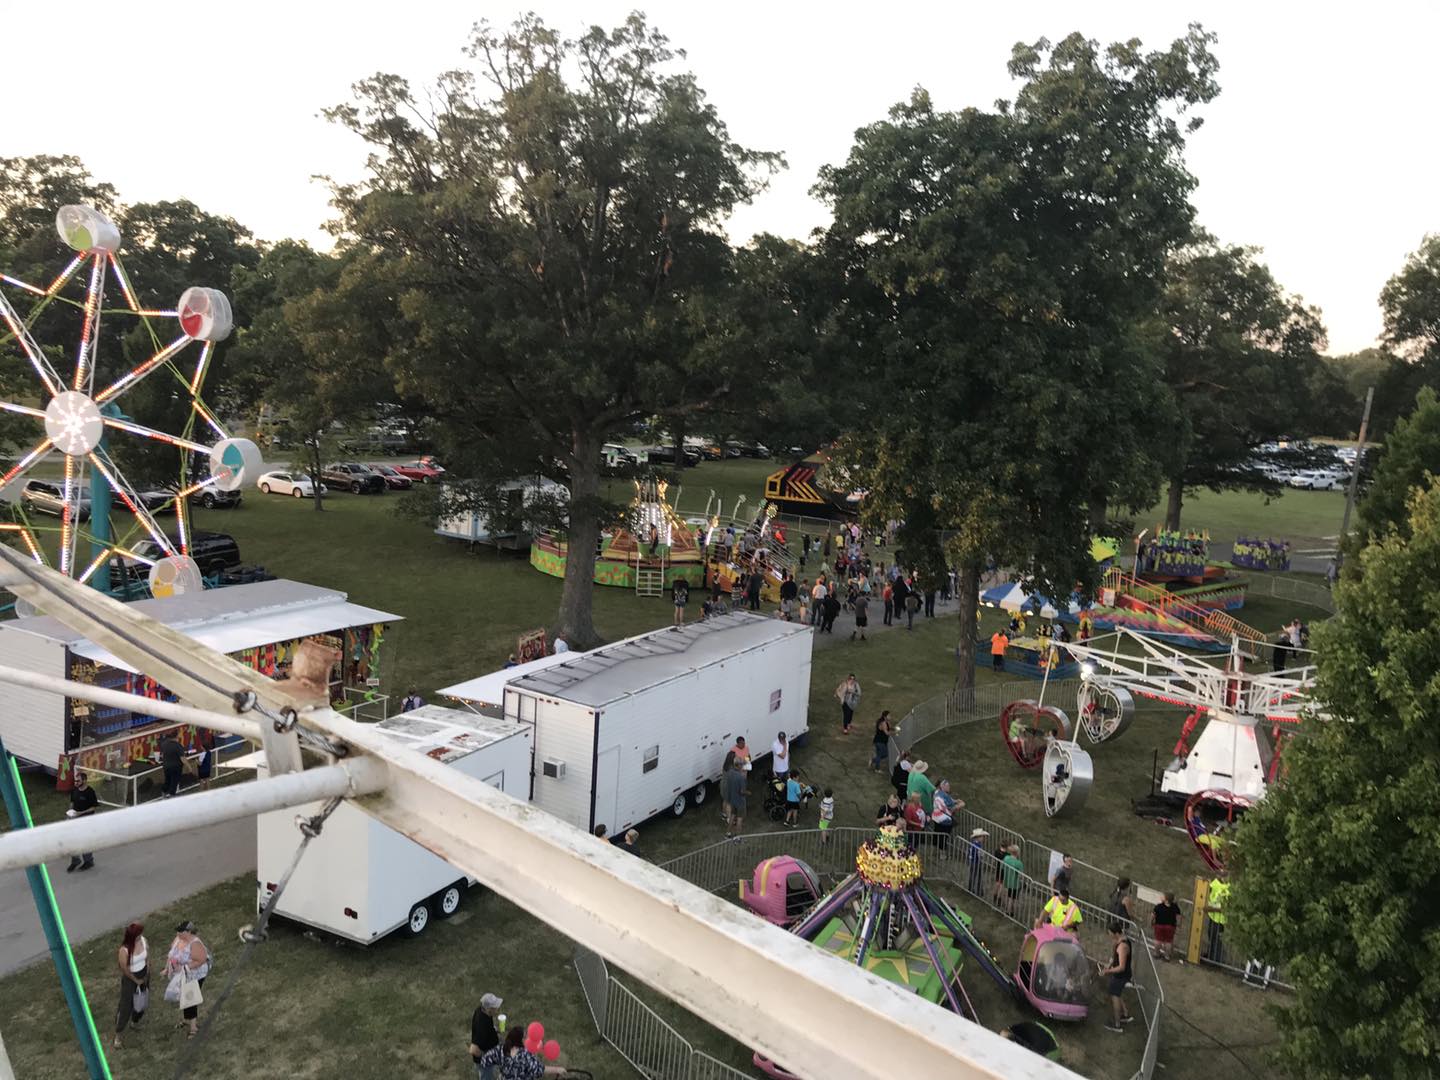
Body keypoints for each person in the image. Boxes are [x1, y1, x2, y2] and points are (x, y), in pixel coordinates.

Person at [165, 921, 210, 1038]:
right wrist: (167, 968)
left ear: (189, 932)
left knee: (190, 999)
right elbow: (171, 954)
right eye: (178, 931)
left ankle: (193, 1027)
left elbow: (201, 960)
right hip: (183, 974)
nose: (178, 933)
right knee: (183, 997)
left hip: (195, 975)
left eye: (181, 931)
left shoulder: (195, 943)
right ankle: (186, 1020)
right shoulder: (179, 939)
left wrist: (184, 967)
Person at [478, 1025, 567, 1079]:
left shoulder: (500, 1049)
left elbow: (485, 1059)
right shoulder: (525, 1056)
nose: (528, 1038)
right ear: (519, 1040)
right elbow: (538, 1069)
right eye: (525, 1037)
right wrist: (557, 1069)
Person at [113, 921, 148, 1050]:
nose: (141, 936)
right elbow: (124, 968)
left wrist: (147, 970)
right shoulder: (125, 950)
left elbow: (146, 956)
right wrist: (135, 980)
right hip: (130, 977)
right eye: (138, 934)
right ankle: (118, 1034)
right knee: (126, 1005)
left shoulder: (143, 940)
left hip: (143, 973)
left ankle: (135, 1021)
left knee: (141, 999)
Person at [1099, 921, 1135, 1033]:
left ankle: (1117, 1024)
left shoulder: (1122, 946)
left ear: (1115, 933)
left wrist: (1108, 971)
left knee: (1115, 995)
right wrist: (1108, 965)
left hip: (1121, 976)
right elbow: (1114, 958)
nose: (1109, 935)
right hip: (1120, 975)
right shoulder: (1119, 941)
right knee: (1117, 993)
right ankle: (1125, 1014)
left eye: (1110, 933)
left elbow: (1121, 967)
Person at [66, 771, 98, 871]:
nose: (76, 782)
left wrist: (81, 813)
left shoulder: (90, 792)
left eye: (78, 780)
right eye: (75, 780)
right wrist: (70, 812)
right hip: (74, 818)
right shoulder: (74, 790)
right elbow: (72, 802)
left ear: (84, 780)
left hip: (86, 820)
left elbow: (93, 808)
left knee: (85, 841)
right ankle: (75, 860)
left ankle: (88, 861)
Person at [469, 992, 503, 1079]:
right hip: (484, 1062)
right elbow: (473, 1050)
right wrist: (487, 1057)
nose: (497, 1008)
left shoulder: (481, 1010)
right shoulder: (482, 1026)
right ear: (489, 1009)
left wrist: (493, 1030)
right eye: (495, 1007)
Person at [1204, 873, 1229, 961]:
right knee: (1211, 936)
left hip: (1220, 920)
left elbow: (1225, 907)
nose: (1219, 876)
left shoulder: (1228, 889)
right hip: (1212, 917)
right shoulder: (1215, 882)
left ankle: (1216, 959)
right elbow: (1208, 889)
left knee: (1217, 940)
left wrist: (1211, 909)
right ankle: (1210, 955)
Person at [1151, 891, 1182, 962]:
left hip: (1159, 925)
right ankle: (1167, 956)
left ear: (1166, 899)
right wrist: (1178, 925)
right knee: (1168, 941)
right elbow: (1179, 917)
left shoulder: (1158, 906)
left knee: (1158, 940)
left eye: (1163, 896)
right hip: (1170, 926)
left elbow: (1153, 915)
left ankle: (1156, 953)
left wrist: (1151, 922)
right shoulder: (1175, 907)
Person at [995, 844, 1025, 917]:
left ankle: (1008, 910)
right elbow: (1021, 875)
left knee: (1009, 896)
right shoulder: (1019, 863)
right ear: (1017, 853)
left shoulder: (1006, 858)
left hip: (1007, 880)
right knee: (1013, 898)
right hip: (1015, 883)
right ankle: (1011, 911)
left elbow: (1002, 867)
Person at [723, 755, 747, 839]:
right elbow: (742, 791)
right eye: (742, 765)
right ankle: (738, 837)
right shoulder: (741, 777)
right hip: (740, 801)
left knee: (732, 816)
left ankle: (728, 833)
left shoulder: (730, 773)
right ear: (739, 765)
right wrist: (747, 792)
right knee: (740, 819)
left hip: (732, 800)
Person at [930, 780, 957, 850]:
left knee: (937, 834)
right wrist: (960, 805)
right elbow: (951, 807)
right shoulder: (943, 796)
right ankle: (941, 851)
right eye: (947, 786)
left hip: (936, 817)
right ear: (943, 787)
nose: (949, 787)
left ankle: (935, 849)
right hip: (944, 820)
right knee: (943, 837)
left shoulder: (937, 793)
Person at [159, 733, 185, 798]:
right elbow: (182, 758)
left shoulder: (164, 744)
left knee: (167, 781)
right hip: (175, 767)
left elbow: (162, 755)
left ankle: (163, 794)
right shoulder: (178, 746)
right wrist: (189, 766)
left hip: (166, 766)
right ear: (176, 737)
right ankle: (172, 796)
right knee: (174, 782)